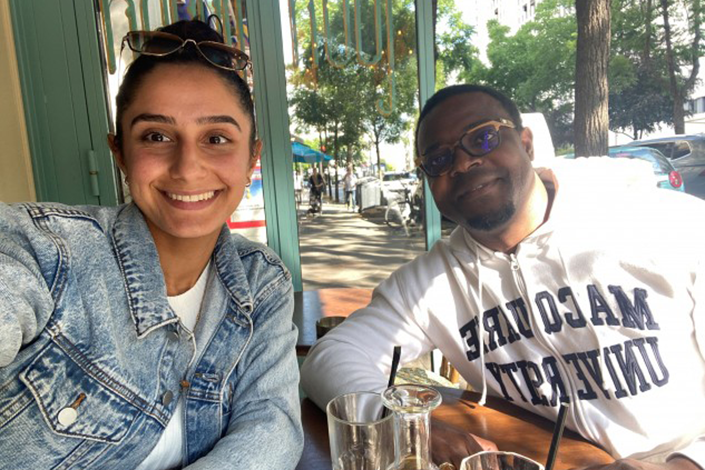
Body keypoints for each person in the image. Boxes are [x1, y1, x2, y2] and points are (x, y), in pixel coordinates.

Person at [301, 84, 705, 470]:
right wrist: (409, 427)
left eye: (483, 138)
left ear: (526, 143)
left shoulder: (669, 225)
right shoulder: (430, 281)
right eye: (439, 160)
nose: (463, 162)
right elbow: (329, 359)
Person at [0, 19, 302, 469]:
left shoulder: (260, 281)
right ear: (119, 153)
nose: (187, 168)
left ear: (250, 158)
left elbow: (272, 427)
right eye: (156, 137)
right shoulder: (45, 250)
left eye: (216, 138)